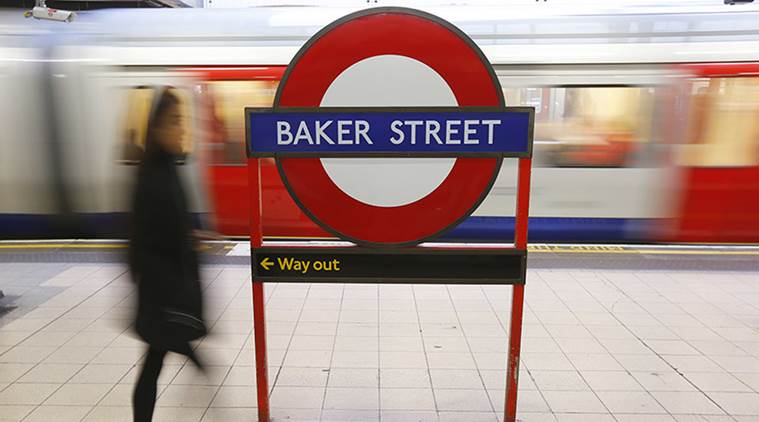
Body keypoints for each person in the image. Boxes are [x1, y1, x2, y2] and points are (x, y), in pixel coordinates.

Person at [128, 87, 206, 422]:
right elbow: (144, 239)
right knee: (157, 358)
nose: (183, 129)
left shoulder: (165, 167)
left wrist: (191, 235)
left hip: (166, 290)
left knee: (154, 361)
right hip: (163, 292)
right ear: (158, 127)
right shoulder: (152, 177)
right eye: (176, 121)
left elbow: (169, 224)